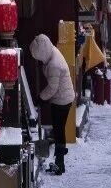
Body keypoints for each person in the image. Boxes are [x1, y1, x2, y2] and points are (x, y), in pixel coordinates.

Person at [30, 34, 76, 175]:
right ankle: (59, 159)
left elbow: (52, 88)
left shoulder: (54, 64)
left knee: (59, 130)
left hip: (61, 100)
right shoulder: (52, 52)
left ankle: (60, 162)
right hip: (63, 97)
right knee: (59, 130)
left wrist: (40, 98)